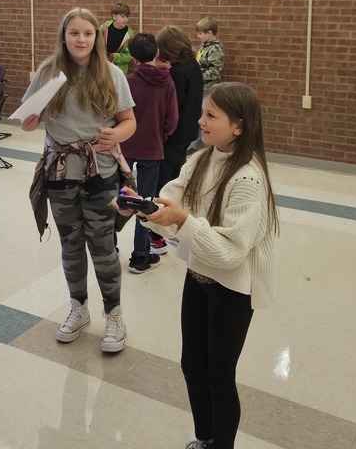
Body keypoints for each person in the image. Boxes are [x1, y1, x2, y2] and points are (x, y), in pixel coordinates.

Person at [120, 82, 278, 449]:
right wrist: (143, 206)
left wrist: (184, 222)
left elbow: (230, 253)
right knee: (192, 364)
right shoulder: (202, 158)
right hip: (199, 276)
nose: (200, 121)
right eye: (203, 113)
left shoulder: (250, 179)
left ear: (238, 126)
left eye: (211, 115)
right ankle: (204, 438)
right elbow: (171, 199)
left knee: (219, 375)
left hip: (233, 289)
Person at [21, 7, 136, 353]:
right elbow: (28, 117)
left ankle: (114, 313)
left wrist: (116, 135)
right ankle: (79, 307)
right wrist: (29, 121)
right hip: (60, 174)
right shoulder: (48, 72)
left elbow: (129, 121)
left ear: (96, 38)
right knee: (71, 246)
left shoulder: (112, 74)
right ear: (64, 37)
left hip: (100, 173)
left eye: (87, 33)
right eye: (74, 33)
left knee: (103, 247)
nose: (81, 39)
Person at [120, 33, 178, 274]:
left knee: (118, 197)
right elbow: (172, 120)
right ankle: (141, 256)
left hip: (125, 146)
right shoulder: (168, 82)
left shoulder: (127, 81)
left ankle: (109, 249)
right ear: (156, 53)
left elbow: (116, 114)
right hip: (152, 149)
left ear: (133, 58)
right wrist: (159, 137)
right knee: (146, 202)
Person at [152, 25, 204, 255]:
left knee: (162, 183)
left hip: (174, 135)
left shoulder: (176, 73)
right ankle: (173, 232)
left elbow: (173, 107)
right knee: (176, 180)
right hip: (189, 131)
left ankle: (156, 236)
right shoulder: (193, 65)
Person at [100, 3, 135, 74]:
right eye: (123, 16)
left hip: (119, 72)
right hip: (102, 67)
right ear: (114, 16)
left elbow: (129, 56)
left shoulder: (130, 34)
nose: (126, 19)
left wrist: (112, 56)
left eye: (127, 17)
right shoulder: (104, 28)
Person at [196, 16, 226, 91]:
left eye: (200, 33)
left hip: (209, 88)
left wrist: (196, 76)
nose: (198, 36)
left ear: (209, 33)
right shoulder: (203, 46)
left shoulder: (215, 49)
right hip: (200, 86)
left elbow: (214, 72)